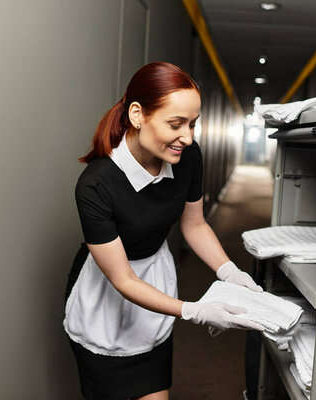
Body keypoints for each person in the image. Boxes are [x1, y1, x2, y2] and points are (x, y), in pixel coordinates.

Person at [63, 62, 264, 400]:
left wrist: (229, 271)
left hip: (155, 287)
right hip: (106, 297)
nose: (187, 137)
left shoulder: (188, 157)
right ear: (138, 115)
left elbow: (194, 224)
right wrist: (193, 310)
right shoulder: (96, 184)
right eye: (176, 124)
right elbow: (123, 280)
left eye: (193, 124)